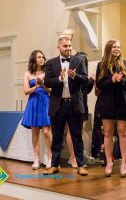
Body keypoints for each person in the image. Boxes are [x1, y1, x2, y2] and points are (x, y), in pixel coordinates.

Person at [44, 36, 88, 176]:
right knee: (56, 137)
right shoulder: (51, 63)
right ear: (58, 47)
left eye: (69, 46)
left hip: (74, 104)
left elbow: (85, 80)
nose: (68, 48)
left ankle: (81, 165)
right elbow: (47, 81)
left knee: (77, 137)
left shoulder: (79, 61)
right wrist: (59, 79)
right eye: (65, 46)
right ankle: (55, 165)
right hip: (58, 105)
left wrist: (75, 76)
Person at [95, 39, 126, 178]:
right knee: (108, 133)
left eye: (119, 46)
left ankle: (124, 163)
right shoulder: (101, 65)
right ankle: (109, 162)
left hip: (123, 102)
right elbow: (99, 84)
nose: (117, 49)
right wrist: (111, 80)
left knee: (122, 132)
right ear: (108, 49)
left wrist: (120, 80)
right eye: (114, 47)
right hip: (107, 102)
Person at [21, 50, 52, 170]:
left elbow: (50, 91)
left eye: (42, 57)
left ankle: (51, 158)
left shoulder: (47, 72)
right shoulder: (28, 73)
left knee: (45, 131)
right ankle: (36, 159)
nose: (41, 59)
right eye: (39, 57)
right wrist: (36, 86)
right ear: (34, 59)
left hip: (45, 101)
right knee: (34, 132)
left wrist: (43, 84)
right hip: (33, 102)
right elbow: (25, 91)